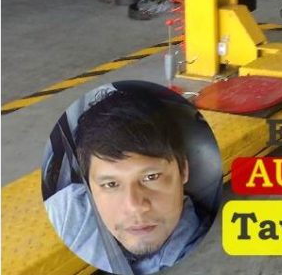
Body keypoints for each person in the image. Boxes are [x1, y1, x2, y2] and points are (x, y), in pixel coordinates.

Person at [44, 88, 211, 274]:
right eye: (111, 184)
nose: (134, 206)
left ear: (183, 171)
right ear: (89, 187)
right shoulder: (68, 213)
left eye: (151, 177)